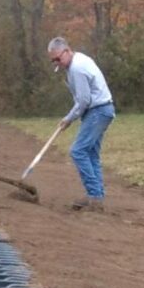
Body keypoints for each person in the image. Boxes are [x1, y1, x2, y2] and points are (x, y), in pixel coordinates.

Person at [48, 37, 114, 211]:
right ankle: (96, 197)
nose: (57, 63)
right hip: (100, 110)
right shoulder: (76, 62)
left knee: (78, 151)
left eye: (58, 58)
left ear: (67, 51)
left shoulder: (77, 67)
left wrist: (69, 118)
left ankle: (94, 196)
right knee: (91, 154)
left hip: (98, 111)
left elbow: (84, 100)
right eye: (53, 60)